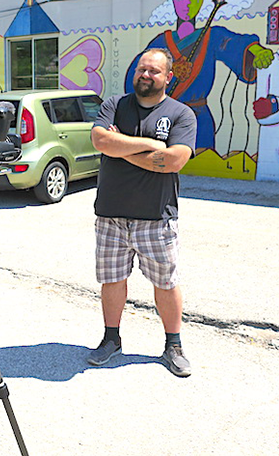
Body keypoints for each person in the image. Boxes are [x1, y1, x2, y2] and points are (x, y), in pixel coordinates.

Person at [89, 48, 198, 377]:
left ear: (168, 77)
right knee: (111, 280)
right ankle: (111, 339)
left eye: (154, 71)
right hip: (110, 214)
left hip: (156, 217)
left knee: (165, 283)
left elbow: (175, 161)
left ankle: (173, 345)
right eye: (141, 69)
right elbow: (99, 140)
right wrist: (150, 145)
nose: (145, 75)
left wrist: (120, 145)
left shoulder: (181, 114)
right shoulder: (114, 104)